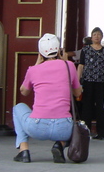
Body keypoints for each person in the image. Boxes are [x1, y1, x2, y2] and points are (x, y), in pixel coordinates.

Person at [12, 33, 82, 163]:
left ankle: (24, 151)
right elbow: (78, 93)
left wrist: (35, 65)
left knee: (18, 108)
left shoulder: (33, 70)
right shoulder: (69, 66)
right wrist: (65, 63)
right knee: (71, 121)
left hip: (37, 127)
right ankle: (59, 145)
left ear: (40, 53)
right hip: (64, 128)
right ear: (59, 51)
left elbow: (24, 92)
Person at [77, 27, 104, 140]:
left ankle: (101, 132)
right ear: (91, 37)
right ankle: (85, 132)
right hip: (87, 82)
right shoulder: (85, 50)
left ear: (102, 36)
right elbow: (81, 66)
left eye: (99, 34)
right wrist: (77, 83)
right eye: (94, 34)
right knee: (86, 107)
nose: (96, 36)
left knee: (101, 108)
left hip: (102, 83)